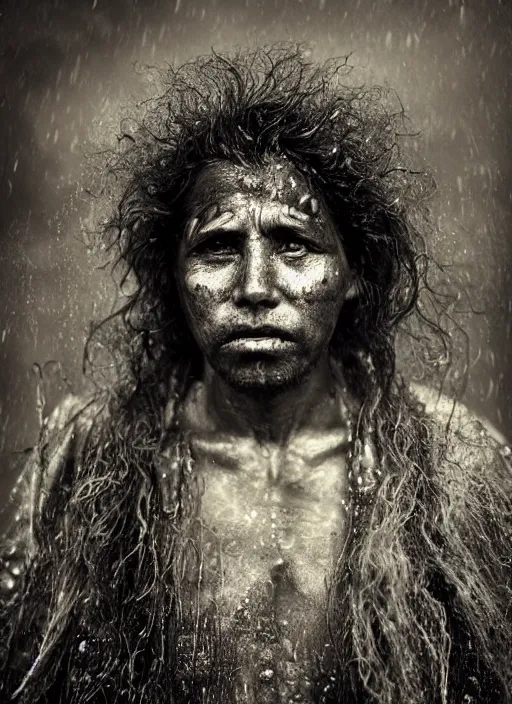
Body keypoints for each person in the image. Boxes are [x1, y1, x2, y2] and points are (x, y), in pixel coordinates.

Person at [1, 46, 511, 704]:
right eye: (218, 247)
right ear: (173, 280)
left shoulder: (453, 460)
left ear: (352, 273)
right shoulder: (84, 460)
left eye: (293, 243)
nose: (255, 287)